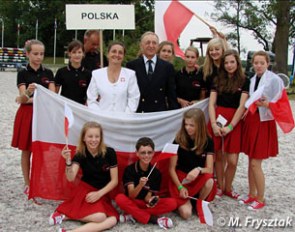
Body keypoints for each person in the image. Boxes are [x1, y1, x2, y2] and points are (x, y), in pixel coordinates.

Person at [240, 51, 294, 210]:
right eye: (256, 63)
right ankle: (252, 194)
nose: (258, 65)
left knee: (256, 163)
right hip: (252, 120)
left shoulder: (275, 80)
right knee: (250, 161)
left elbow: (282, 103)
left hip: (264, 122)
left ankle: (261, 197)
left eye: (261, 63)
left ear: (267, 63)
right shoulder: (252, 79)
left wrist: (268, 104)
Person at [49, 122, 118, 232]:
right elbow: (71, 178)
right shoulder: (80, 154)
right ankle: (67, 215)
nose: (94, 140)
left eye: (97, 136)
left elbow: (114, 181)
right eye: (90, 136)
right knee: (100, 217)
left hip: (102, 193)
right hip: (85, 191)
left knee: (113, 220)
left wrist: (99, 194)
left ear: (101, 138)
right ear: (84, 138)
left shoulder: (110, 153)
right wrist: (67, 161)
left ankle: (67, 219)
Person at [11, 39, 55, 196]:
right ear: (28, 54)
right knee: (26, 149)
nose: (39, 57)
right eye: (35, 53)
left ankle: (40, 180)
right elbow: (22, 99)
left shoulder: (48, 73)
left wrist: (29, 98)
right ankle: (27, 182)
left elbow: (52, 97)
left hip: (43, 114)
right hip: (28, 114)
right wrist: (28, 93)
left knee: (42, 149)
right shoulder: (23, 73)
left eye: (41, 54)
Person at [208, 49, 249, 200]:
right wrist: (213, 124)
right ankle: (220, 186)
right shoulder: (217, 79)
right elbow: (211, 104)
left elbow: (242, 106)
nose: (229, 65)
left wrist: (231, 126)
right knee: (218, 156)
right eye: (226, 62)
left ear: (237, 63)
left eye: (232, 62)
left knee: (232, 160)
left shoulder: (245, 80)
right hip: (218, 119)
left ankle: (228, 187)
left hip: (234, 122)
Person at [115, 137, 177, 229]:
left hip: (145, 205)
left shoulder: (156, 173)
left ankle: (134, 215)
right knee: (119, 198)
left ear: (153, 153)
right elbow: (131, 195)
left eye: (149, 152)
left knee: (173, 203)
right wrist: (140, 185)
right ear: (137, 153)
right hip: (132, 201)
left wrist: (151, 200)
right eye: (143, 153)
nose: (146, 156)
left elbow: (148, 197)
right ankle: (155, 220)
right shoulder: (130, 170)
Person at [168, 108, 216, 220]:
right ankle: (187, 201)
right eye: (186, 124)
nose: (187, 128)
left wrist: (198, 169)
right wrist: (180, 187)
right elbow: (171, 169)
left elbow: (209, 169)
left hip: (197, 178)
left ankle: (199, 202)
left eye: (192, 125)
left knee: (209, 181)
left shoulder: (208, 141)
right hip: (180, 179)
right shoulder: (178, 139)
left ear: (200, 125)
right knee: (186, 214)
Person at [126, 31, 179, 112]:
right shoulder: (132, 66)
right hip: (138, 113)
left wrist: (174, 116)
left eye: (154, 43)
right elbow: (128, 94)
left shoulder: (167, 67)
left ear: (158, 46)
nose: (151, 45)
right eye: (148, 43)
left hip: (159, 114)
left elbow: (171, 95)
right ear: (141, 45)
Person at [87, 41, 140, 112]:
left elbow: (134, 98)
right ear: (108, 54)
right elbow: (91, 99)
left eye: (120, 52)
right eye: (114, 51)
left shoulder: (130, 74)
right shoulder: (97, 74)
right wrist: (100, 114)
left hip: (123, 120)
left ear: (123, 56)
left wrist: (125, 116)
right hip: (102, 119)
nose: (117, 54)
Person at [55, 40, 91, 105]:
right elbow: (54, 93)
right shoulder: (61, 72)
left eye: (79, 52)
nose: (77, 55)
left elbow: (91, 95)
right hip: (65, 108)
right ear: (69, 53)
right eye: (74, 52)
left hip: (81, 109)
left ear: (83, 54)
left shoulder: (88, 74)